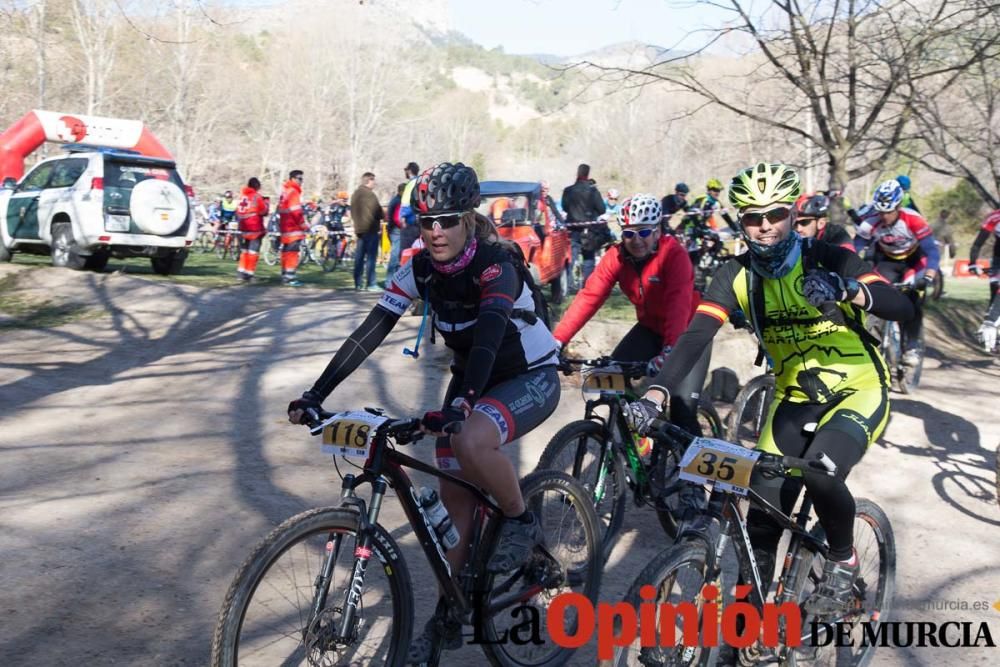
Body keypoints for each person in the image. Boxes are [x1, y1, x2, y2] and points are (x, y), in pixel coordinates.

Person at [287, 162, 561, 663]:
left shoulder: (496, 262)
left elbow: (491, 334)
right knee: (452, 496)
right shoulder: (419, 267)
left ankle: (521, 522)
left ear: (468, 218)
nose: (435, 231)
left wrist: (459, 404)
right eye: (425, 220)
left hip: (526, 374)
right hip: (475, 381)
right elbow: (370, 331)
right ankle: (449, 613)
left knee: (470, 440)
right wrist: (315, 393)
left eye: (448, 220)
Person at [629, 162, 914, 617]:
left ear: (792, 212)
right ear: (741, 221)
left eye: (775, 215)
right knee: (760, 515)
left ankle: (843, 560)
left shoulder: (830, 257)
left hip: (858, 389)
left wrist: (848, 290)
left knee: (820, 470)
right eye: (752, 218)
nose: (764, 227)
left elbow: (901, 306)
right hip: (793, 397)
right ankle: (749, 630)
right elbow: (697, 334)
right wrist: (656, 394)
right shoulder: (735, 275)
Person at [552, 194, 710, 436]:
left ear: (657, 232)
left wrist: (669, 352)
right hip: (650, 329)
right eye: (629, 233)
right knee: (608, 379)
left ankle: (693, 472)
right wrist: (557, 341)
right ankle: (635, 443)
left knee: (682, 410)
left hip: (689, 333)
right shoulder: (616, 256)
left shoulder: (673, 254)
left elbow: (678, 304)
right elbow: (589, 297)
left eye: (644, 232)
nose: (636, 240)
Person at [854, 178, 940, 366]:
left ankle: (912, 346)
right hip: (888, 262)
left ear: (898, 206)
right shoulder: (870, 223)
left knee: (913, 301)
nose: (884, 216)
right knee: (876, 294)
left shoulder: (913, 219)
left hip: (914, 262)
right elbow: (853, 248)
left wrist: (928, 277)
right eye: (881, 212)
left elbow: (932, 251)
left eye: (889, 211)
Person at [561, 163, 607, 289]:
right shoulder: (593, 191)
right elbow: (602, 209)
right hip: (589, 229)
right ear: (588, 174)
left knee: (571, 257)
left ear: (577, 173)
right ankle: (588, 284)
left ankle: (569, 284)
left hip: (572, 229)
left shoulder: (568, 191)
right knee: (589, 258)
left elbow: (565, 207)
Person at [349, 171, 384, 291]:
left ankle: (358, 283)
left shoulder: (355, 194)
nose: (374, 183)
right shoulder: (369, 195)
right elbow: (378, 211)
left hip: (360, 229)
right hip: (370, 229)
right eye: (373, 180)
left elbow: (352, 211)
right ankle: (371, 283)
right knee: (370, 258)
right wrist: (382, 215)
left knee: (359, 257)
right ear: (369, 181)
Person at [277, 170, 309, 286]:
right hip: (293, 228)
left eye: (302, 179)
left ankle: (285, 275)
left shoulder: (285, 192)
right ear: (293, 179)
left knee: (286, 252)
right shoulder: (293, 192)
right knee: (292, 253)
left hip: (285, 227)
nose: (301, 181)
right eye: (300, 179)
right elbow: (296, 212)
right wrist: (304, 225)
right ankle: (290, 277)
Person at [235, 177, 269, 283]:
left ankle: (240, 273)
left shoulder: (242, 196)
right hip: (254, 227)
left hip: (242, 227)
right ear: (257, 186)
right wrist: (266, 203)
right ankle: (249, 274)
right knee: (253, 252)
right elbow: (264, 211)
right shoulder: (256, 197)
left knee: (244, 251)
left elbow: (238, 211)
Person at [968, 208, 1000, 307]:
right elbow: (978, 244)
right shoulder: (994, 217)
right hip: (998, 255)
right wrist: (972, 263)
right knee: (994, 288)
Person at [384, 182, 407, 281]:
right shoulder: (398, 201)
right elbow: (397, 218)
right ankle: (389, 281)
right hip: (396, 231)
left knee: (397, 256)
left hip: (392, 229)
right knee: (395, 256)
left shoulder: (394, 200)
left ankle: (394, 280)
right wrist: (404, 226)